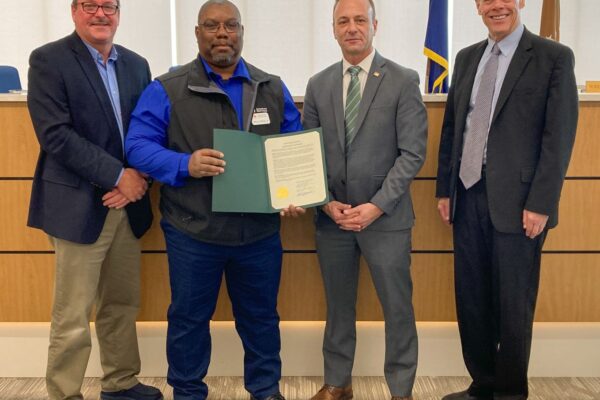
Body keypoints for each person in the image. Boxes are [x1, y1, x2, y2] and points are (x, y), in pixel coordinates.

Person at [125, 1, 303, 399]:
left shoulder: (271, 87)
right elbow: (136, 146)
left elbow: (294, 147)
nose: (222, 33)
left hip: (258, 234)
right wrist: (184, 163)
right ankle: (187, 392)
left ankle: (266, 390)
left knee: (261, 320)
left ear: (241, 31)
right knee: (188, 320)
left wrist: (296, 193)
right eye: (212, 26)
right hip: (193, 232)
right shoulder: (167, 88)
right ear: (197, 33)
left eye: (230, 26)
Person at [435, 0, 578, 399]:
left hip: (520, 206)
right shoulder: (466, 59)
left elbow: (558, 137)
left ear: (520, 2)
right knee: (472, 300)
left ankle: (511, 392)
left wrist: (542, 203)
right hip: (466, 197)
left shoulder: (553, 58)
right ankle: (482, 385)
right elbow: (452, 128)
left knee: (513, 305)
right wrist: (444, 189)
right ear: (478, 6)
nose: (496, 5)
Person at [27, 1, 162, 400]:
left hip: (128, 204)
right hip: (77, 207)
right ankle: (65, 392)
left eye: (109, 6)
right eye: (91, 5)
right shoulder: (49, 60)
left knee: (121, 304)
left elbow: (151, 129)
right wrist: (118, 175)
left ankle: (120, 383)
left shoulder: (137, 65)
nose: (100, 14)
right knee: (72, 315)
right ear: (74, 11)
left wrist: (138, 178)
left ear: (119, 13)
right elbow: (56, 135)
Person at [302, 0, 427, 399]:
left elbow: (412, 154)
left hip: (385, 219)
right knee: (338, 308)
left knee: (397, 310)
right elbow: (308, 153)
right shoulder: (318, 84)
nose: (351, 27)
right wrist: (324, 202)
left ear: (375, 25)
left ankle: (401, 389)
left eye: (360, 20)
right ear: (333, 29)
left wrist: (376, 205)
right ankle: (337, 383)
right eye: (343, 21)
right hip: (333, 219)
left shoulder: (403, 80)